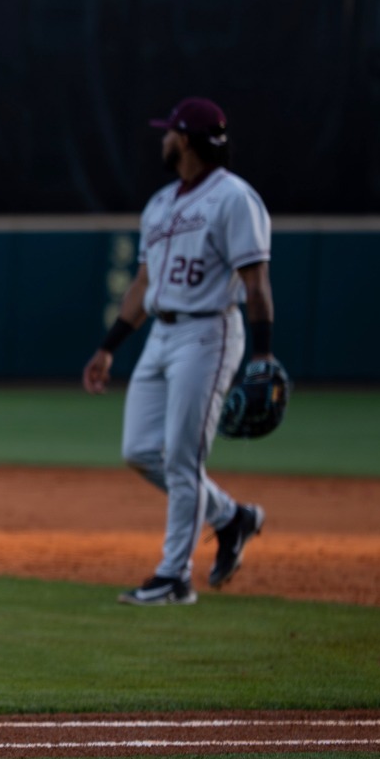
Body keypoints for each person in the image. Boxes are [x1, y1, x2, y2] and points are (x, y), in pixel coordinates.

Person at [82, 98, 273, 605]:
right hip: (161, 333)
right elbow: (143, 283)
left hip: (208, 334)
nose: (162, 139)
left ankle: (174, 578)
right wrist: (109, 347)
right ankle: (232, 517)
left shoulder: (234, 199)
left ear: (185, 140)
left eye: (168, 132)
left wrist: (263, 355)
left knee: (184, 459)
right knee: (139, 451)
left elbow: (256, 282)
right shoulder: (161, 204)